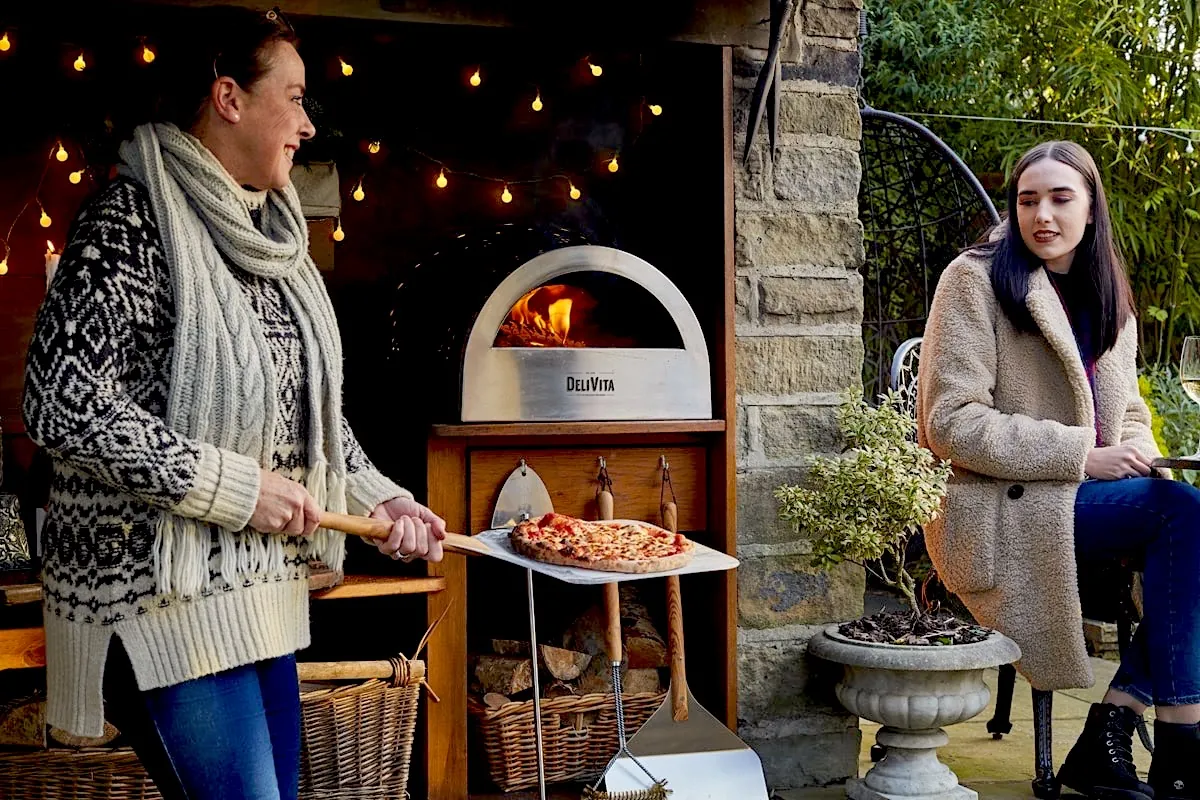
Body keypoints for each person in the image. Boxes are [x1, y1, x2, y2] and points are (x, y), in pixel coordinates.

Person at [22, 8, 444, 799]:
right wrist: (236, 488)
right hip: (157, 603)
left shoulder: (276, 242)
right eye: (295, 96)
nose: (309, 124)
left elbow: (304, 413)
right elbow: (61, 400)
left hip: (256, 602)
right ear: (229, 98)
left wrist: (380, 496)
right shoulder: (130, 223)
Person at [917, 140, 1200, 800]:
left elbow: (1127, 413)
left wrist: (1143, 460)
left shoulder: (1110, 297)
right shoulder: (974, 280)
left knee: (1183, 515)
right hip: (996, 503)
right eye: (1028, 200)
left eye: (1060, 198)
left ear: (1093, 208)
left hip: (1085, 496)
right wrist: (1081, 455)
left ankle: (1115, 724)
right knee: (1185, 515)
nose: (1042, 214)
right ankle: (1180, 743)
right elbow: (950, 422)